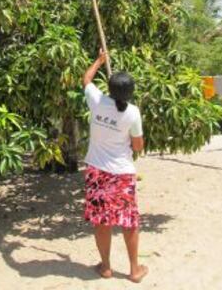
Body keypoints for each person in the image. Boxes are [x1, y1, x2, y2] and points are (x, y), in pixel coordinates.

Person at [83, 49, 148, 283]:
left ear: (109, 89)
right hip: (121, 173)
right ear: (130, 93)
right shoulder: (133, 113)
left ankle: (106, 267)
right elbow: (138, 146)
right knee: (128, 221)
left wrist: (99, 61)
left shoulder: (97, 101)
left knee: (102, 221)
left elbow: (86, 79)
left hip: (97, 172)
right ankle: (134, 269)